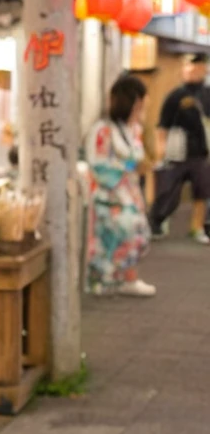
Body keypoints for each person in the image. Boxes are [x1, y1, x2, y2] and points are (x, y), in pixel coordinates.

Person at [85, 73, 154, 296]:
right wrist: (130, 168)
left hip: (130, 194)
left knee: (137, 234)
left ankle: (126, 278)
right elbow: (99, 165)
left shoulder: (134, 129)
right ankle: (105, 281)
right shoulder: (103, 130)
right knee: (114, 238)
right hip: (109, 196)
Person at [149, 51, 210, 244]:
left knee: (202, 192)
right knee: (168, 192)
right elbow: (162, 126)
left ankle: (197, 227)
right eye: (190, 67)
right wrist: (161, 151)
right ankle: (157, 222)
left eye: (199, 67)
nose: (194, 71)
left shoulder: (207, 94)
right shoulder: (175, 95)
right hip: (176, 153)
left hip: (201, 153)